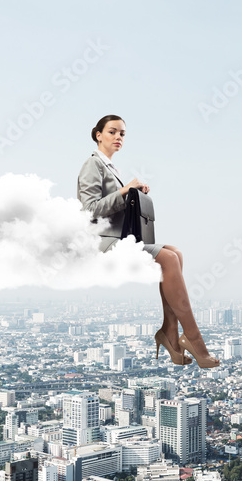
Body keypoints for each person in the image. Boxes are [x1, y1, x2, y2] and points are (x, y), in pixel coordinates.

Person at [77, 114, 220, 368]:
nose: (118, 137)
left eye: (122, 133)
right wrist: (124, 192)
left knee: (176, 253)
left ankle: (170, 334)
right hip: (105, 243)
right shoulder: (93, 165)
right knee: (168, 258)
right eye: (112, 132)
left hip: (120, 238)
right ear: (98, 135)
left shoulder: (110, 167)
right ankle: (193, 339)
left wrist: (133, 192)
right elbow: (89, 210)